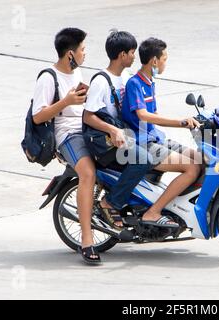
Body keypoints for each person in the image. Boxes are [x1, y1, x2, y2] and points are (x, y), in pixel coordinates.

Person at [31, 28, 100, 265]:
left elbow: (82, 96)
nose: (85, 53)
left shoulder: (75, 70)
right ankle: (87, 240)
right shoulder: (48, 77)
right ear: (70, 53)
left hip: (86, 128)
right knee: (88, 174)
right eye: (82, 49)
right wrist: (66, 101)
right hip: (67, 134)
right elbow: (38, 117)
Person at [122, 37, 202, 227]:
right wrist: (180, 122)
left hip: (156, 138)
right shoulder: (135, 84)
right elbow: (143, 115)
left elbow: (155, 114)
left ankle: (180, 207)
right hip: (143, 143)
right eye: (164, 59)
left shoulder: (150, 82)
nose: (166, 63)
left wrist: (188, 119)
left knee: (202, 158)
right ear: (154, 61)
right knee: (192, 168)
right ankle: (154, 211)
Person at [84, 30, 153, 229]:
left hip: (124, 135)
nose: (134, 57)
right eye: (132, 52)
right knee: (143, 160)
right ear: (122, 55)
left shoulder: (125, 76)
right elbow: (88, 116)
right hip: (106, 142)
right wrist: (112, 130)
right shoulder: (101, 81)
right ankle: (110, 202)